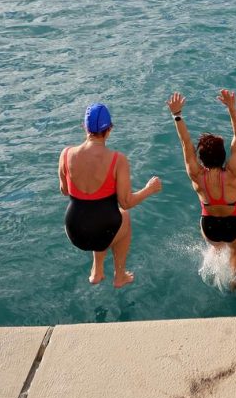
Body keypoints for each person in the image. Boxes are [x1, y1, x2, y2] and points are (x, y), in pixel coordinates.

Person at [58, 102, 161, 287]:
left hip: (74, 232)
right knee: (123, 217)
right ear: (109, 130)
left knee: (96, 214)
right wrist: (149, 189)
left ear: (84, 127)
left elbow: (64, 190)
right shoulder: (117, 160)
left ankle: (97, 272)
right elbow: (126, 202)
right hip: (102, 232)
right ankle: (119, 275)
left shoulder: (66, 154)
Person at [166, 89, 236, 283]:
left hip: (209, 226)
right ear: (223, 156)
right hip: (233, 223)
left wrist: (176, 115)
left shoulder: (196, 174)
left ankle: (215, 266)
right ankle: (235, 286)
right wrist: (232, 108)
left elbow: (186, 143)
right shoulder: (232, 173)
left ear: (201, 158)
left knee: (217, 246)